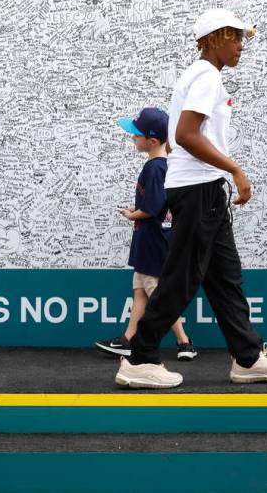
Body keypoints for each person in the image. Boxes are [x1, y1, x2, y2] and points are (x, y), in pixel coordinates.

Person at [115, 9, 267, 389]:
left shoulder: (203, 75)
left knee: (225, 278)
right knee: (182, 277)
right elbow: (185, 134)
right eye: (235, 38)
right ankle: (140, 357)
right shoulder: (206, 76)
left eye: (242, 39)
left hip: (206, 191)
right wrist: (235, 168)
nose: (240, 47)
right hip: (198, 189)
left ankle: (247, 358)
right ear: (213, 39)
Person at [95, 107, 196, 361]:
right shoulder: (162, 165)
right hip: (150, 242)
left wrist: (133, 214)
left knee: (157, 295)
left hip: (153, 242)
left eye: (136, 135)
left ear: (151, 141)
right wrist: (138, 210)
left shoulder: (155, 168)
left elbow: (153, 207)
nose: (132, 138)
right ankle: (127, 340)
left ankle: (184, 343)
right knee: (141, 291)